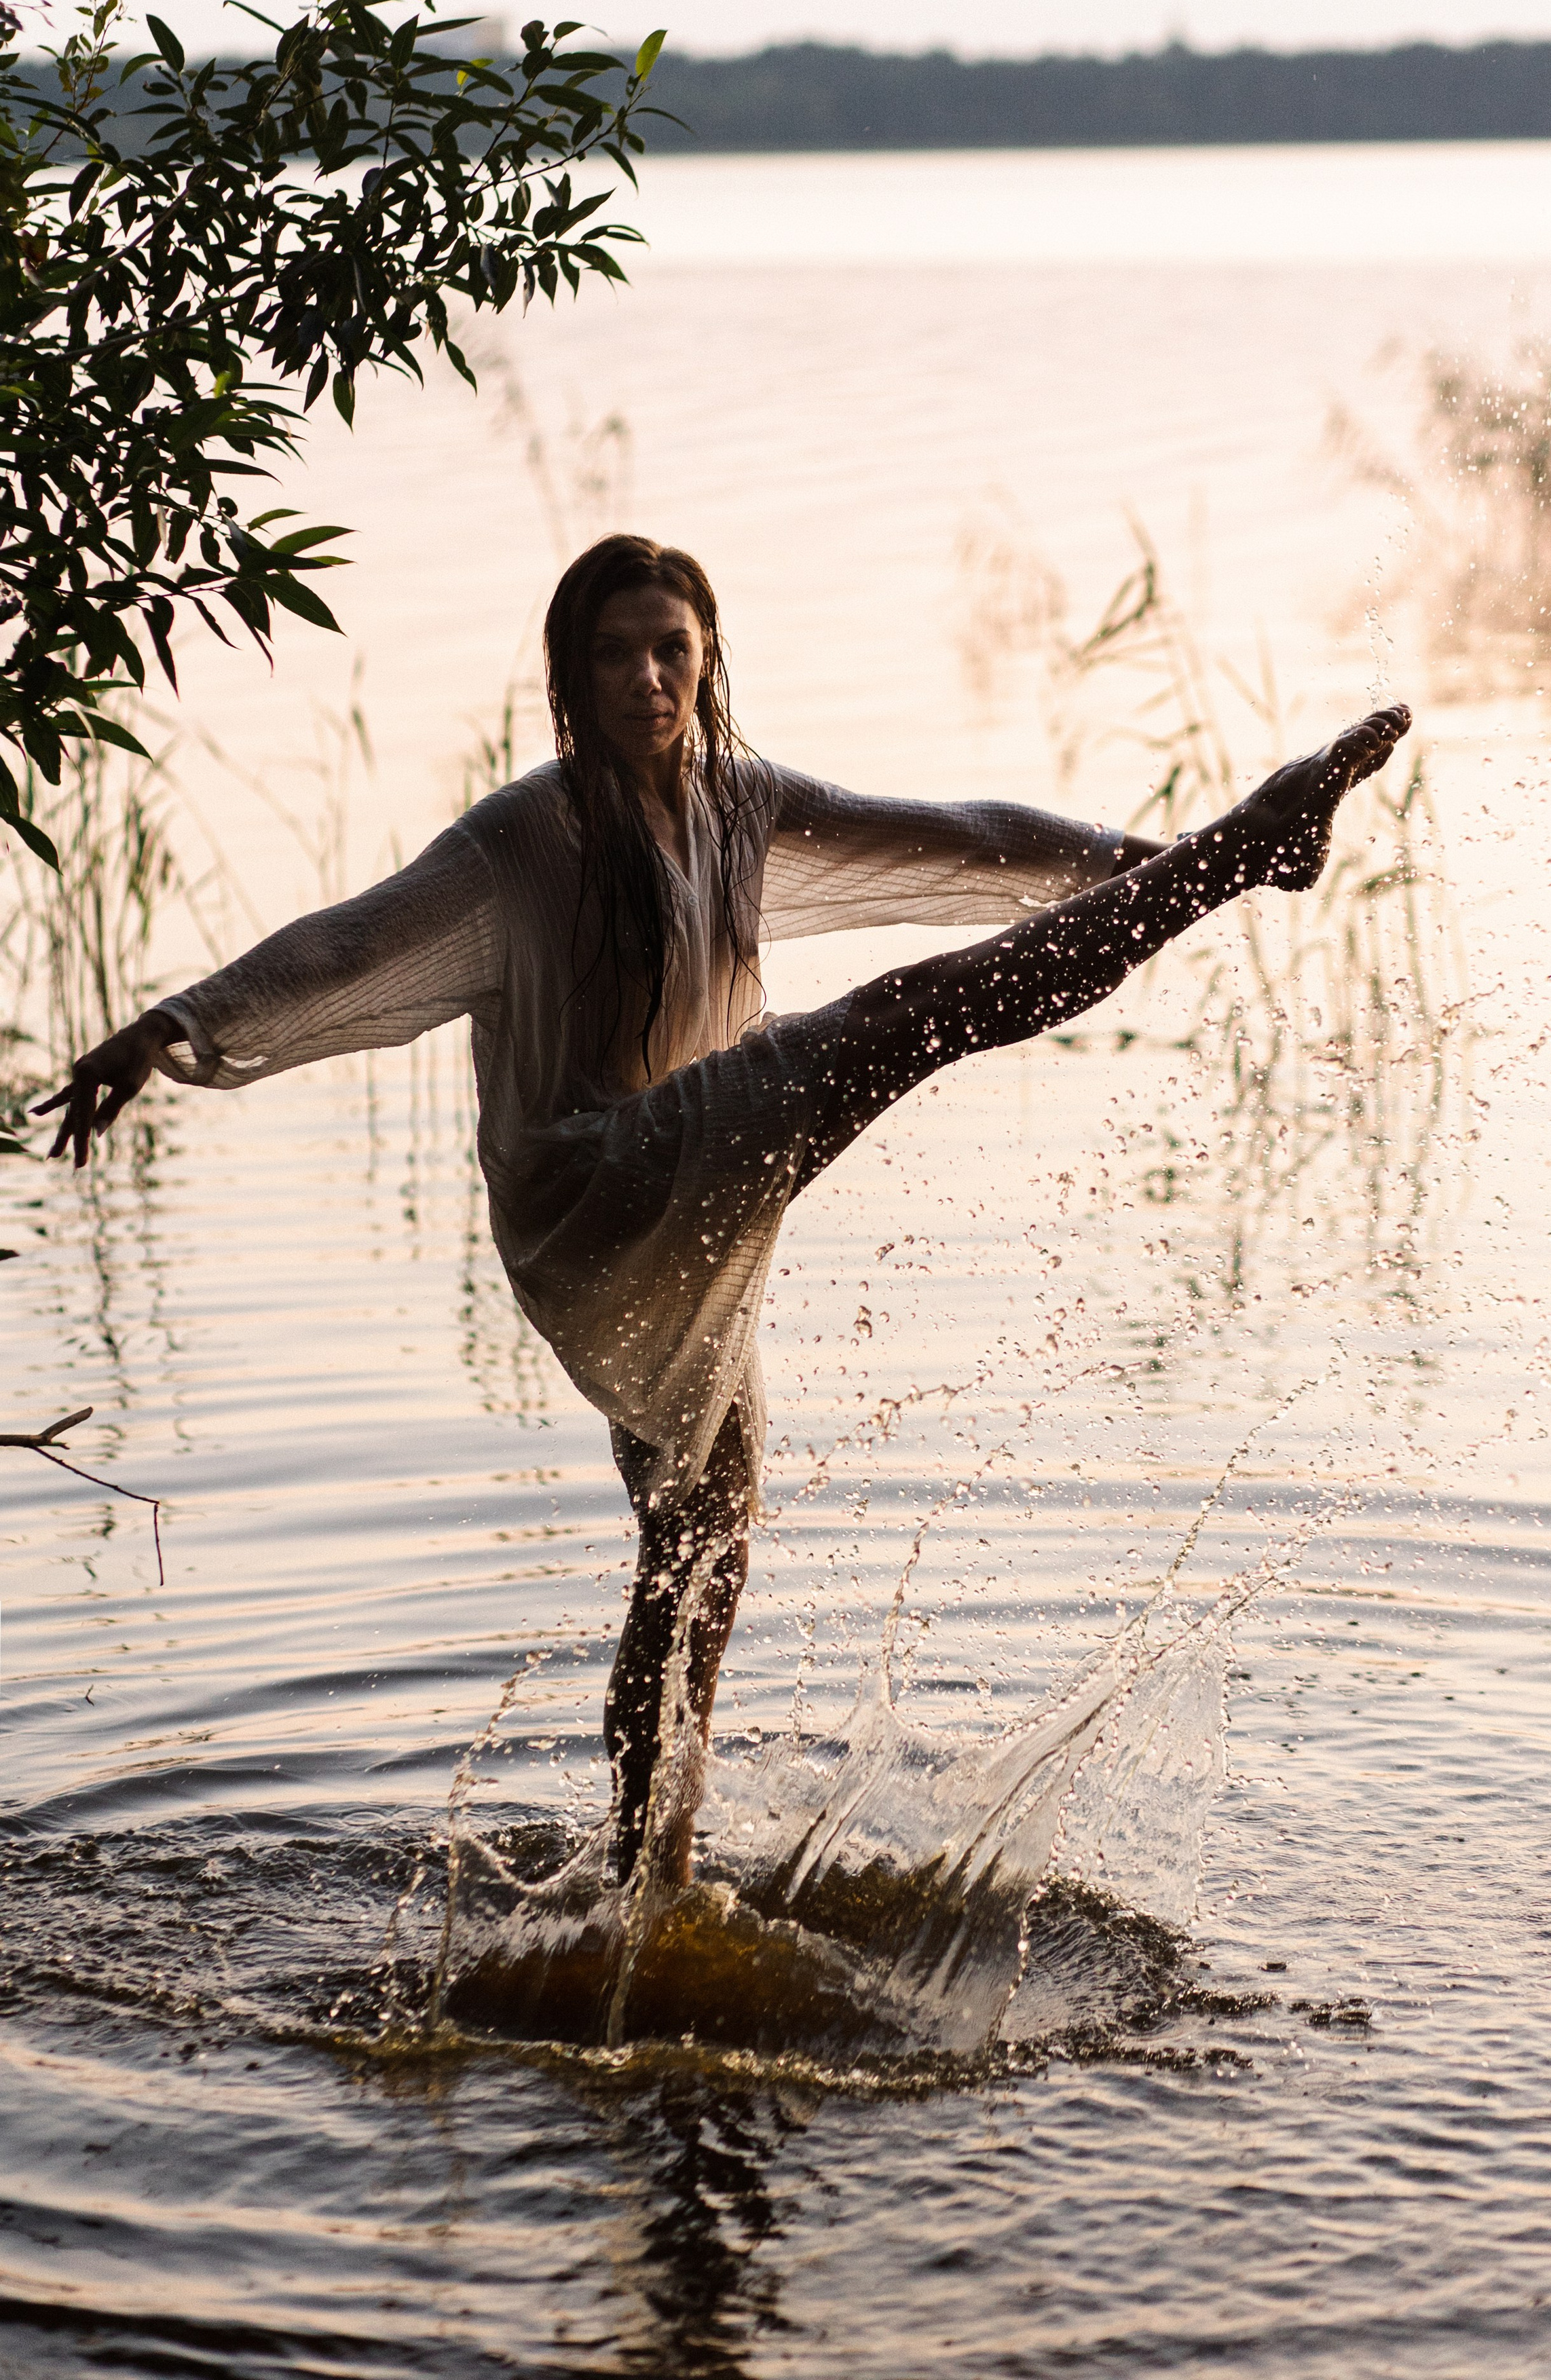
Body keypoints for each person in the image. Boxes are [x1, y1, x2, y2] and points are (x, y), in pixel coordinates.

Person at [37, 534, 1410, 1891]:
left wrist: (1134, 855)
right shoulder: (524, 835)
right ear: (569, 679)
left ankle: (649, 1881)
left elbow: (970, 841)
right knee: (904, 1018)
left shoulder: (736, 805)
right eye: (616, 652)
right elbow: (347, 940)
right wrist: (175, 1025)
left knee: (697, 1545)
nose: (648, 677)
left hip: (693, 1196)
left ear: (706, 663)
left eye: (671, 649)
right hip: (590, 1186)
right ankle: (1240, 854)